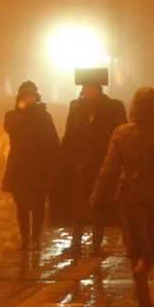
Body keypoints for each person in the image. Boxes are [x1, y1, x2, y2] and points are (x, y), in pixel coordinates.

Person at [90, 87, 154, 307]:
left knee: (133, 245)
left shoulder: (121, 133)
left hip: (128, 194)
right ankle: (145, 266)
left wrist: (97, 195)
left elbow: (109, 168)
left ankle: (143, 297)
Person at [55, 80, 126, 255]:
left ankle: (96, 245)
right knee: (78, 205)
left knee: (98, 204)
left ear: (98, 89)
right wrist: (63, 159)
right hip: (80, 164)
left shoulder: (112, 107)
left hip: (102, 164)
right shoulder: (76, 107)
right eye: (85, 90)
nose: (88, 93)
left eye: (91, 89)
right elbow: (69, 134)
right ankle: (76, 244)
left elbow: (119, 134)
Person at [2, 80, 60, 251]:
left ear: (37, 98)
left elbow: (53, 141)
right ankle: (25, 239)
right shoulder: (12, 116)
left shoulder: (44, 116)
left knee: (38, 206)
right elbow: (12, 130)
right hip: (19, 168)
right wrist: (21, 111)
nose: (29, 100)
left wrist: (54, 166)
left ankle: (35, 239)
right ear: (19, 99)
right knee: (21, 206)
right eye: (25, 97)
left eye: (32, 97)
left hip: (39, 167)